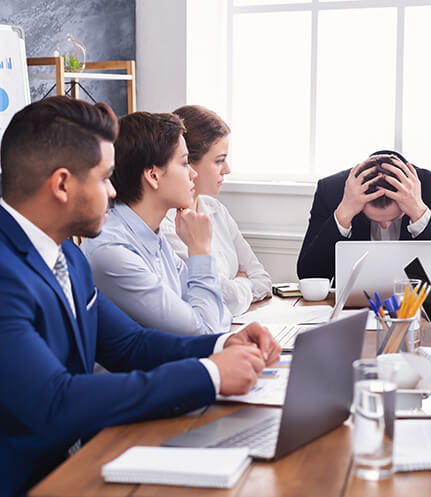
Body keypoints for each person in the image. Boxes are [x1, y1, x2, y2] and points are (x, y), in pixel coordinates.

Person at [0, 96, 281, 497]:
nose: (114, 191)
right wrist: (211, 373)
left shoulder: (66, 257)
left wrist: (222, 343)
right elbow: (54, 402)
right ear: (61, 184)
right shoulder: (5, 274)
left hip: (75, 462)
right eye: (104, 178)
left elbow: (129, 343)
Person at [81, 111, 232, 335]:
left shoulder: (153, 236)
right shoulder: (113, 253)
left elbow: (220, 313)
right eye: (184, 163)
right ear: (153, 176)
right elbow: (206, 332)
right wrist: (200, 250)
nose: (193, 174)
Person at [296, 150, 431, 291]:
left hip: (421, 313)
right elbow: (309, 275)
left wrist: (420, 213)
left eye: (393, 218)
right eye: (374, 218)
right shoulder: (332, 191)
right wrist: (344, 213)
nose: (385, 225)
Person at [160, 105, 272, 317]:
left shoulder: (216, 209)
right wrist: (243, 282)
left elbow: (263, 279)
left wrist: (235, 287)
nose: (227, 169)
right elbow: (223, 298)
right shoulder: (164, 225)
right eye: (219, 160)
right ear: (188, 162)